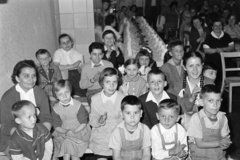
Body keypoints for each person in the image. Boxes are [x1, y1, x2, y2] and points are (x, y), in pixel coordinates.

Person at [0, 60, 52, 155]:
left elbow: (46, 118)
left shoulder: (41, 93)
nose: (31, 79)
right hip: (14, 136)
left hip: (38, 133)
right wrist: (26, 136)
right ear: (17, 78)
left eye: (34, 76)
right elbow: (6, 125)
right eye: (26, 76)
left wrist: (42, 135)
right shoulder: (8, 97)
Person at [187, 84, 231, 159]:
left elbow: (225, 138)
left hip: (218, 155)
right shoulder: (196, 118)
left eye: (218, 101)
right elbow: (199, 143)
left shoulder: (223, 118)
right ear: (201, 102)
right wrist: (218, 143)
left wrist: (226, 143)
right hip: (200, 156)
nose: (215, 105)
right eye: (211, 101)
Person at [89, 67, 124, 159]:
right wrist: (99, 120)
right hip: (102, 136)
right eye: (108, 82)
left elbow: (127, 118)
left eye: (114, 82)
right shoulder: (95, 99)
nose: (111, 86)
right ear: (102, 83)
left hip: (118, 134)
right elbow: (92, 117)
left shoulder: (122, 98)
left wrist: (124, 116)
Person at [51, 80, 90, 160]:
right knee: (67, 143)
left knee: (69, 145)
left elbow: (83, 123)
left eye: (66, 92)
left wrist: (74, 131)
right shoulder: (56, 108)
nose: (64, 96)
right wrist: (65, 131)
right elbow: (56, 126)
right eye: (60, 94)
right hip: (63, 131)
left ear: (70, 91)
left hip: (79, 131)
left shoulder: (78, 105)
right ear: (56, 96)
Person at [177, 51, 214, 130]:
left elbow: (215, 106)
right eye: (191, 66)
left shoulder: (209, 83)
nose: (195, 69)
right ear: (184, 67)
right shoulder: (178, 85)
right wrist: (191, 99)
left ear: (202, 65)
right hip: (185, 125)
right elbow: (179, 109)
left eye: (198, 65)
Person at [109, 95, 151, 160]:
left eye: (136, 113)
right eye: (128, 113)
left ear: (141, 113)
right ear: (122, 114)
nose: (132, 117)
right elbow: (116, 156)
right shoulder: (117, 132)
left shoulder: (145, 129)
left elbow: (146, 154)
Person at [203, 19, 234, 87]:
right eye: (215, 26)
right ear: (212, 27)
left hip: (226, 61)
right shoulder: (209, 37)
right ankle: (215, 86)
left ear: (222, 26)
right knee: (214, 68)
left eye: (220, 25)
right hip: (213, 61)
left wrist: (223, 49)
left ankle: (228, 86)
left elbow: (232, 47)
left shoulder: (226, 36)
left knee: (232, 65)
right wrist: (216, 50)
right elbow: (206, 50)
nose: (218, 27)